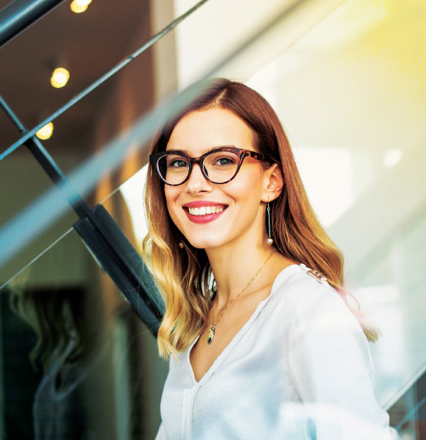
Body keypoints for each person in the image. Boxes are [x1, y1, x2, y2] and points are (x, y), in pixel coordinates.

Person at [144, 79, 392, 439]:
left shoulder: (307, 310)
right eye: (180, 163)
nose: (195, 183)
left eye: (223, 160)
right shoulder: (196, 317)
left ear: (271, 182)